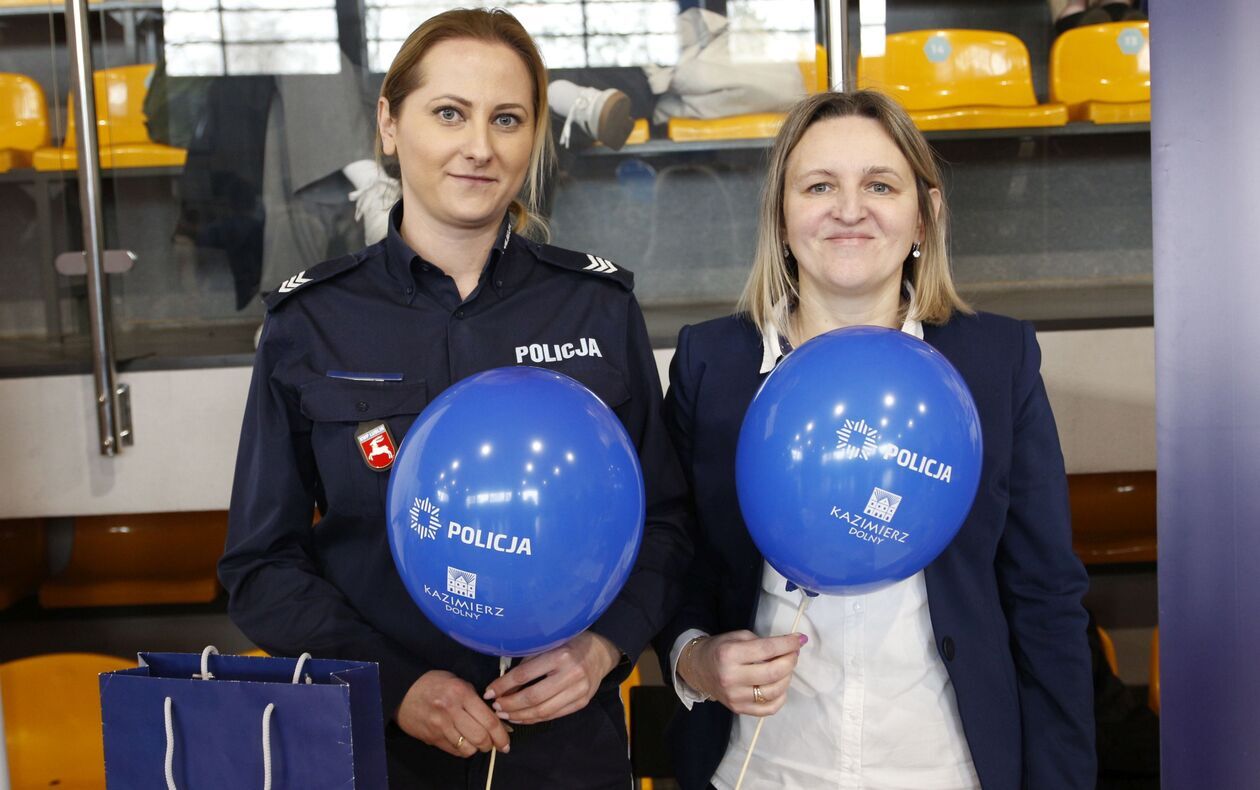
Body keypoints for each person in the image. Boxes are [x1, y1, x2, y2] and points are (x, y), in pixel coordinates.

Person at [218, 9, 690, 788]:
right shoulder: (310, 323)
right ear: (389, 124)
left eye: (507, 119)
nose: (479, 147)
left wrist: (605, 645)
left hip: (567, 750)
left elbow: (667, 522)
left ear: (534, 136)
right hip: (382, 750)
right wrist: (394, 686)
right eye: (448, 113)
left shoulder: (596, 309)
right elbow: (260, 565)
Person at [656, 90, 1095, 789]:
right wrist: (694, 657)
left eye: (880, 185)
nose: (849, 209)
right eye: (819, 186)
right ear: (781, 217)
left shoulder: (995, 363)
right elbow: (673, 560)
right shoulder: (713, 365)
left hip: (946, 770)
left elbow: (1046, 598)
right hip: (762, 769)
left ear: (925, 214)